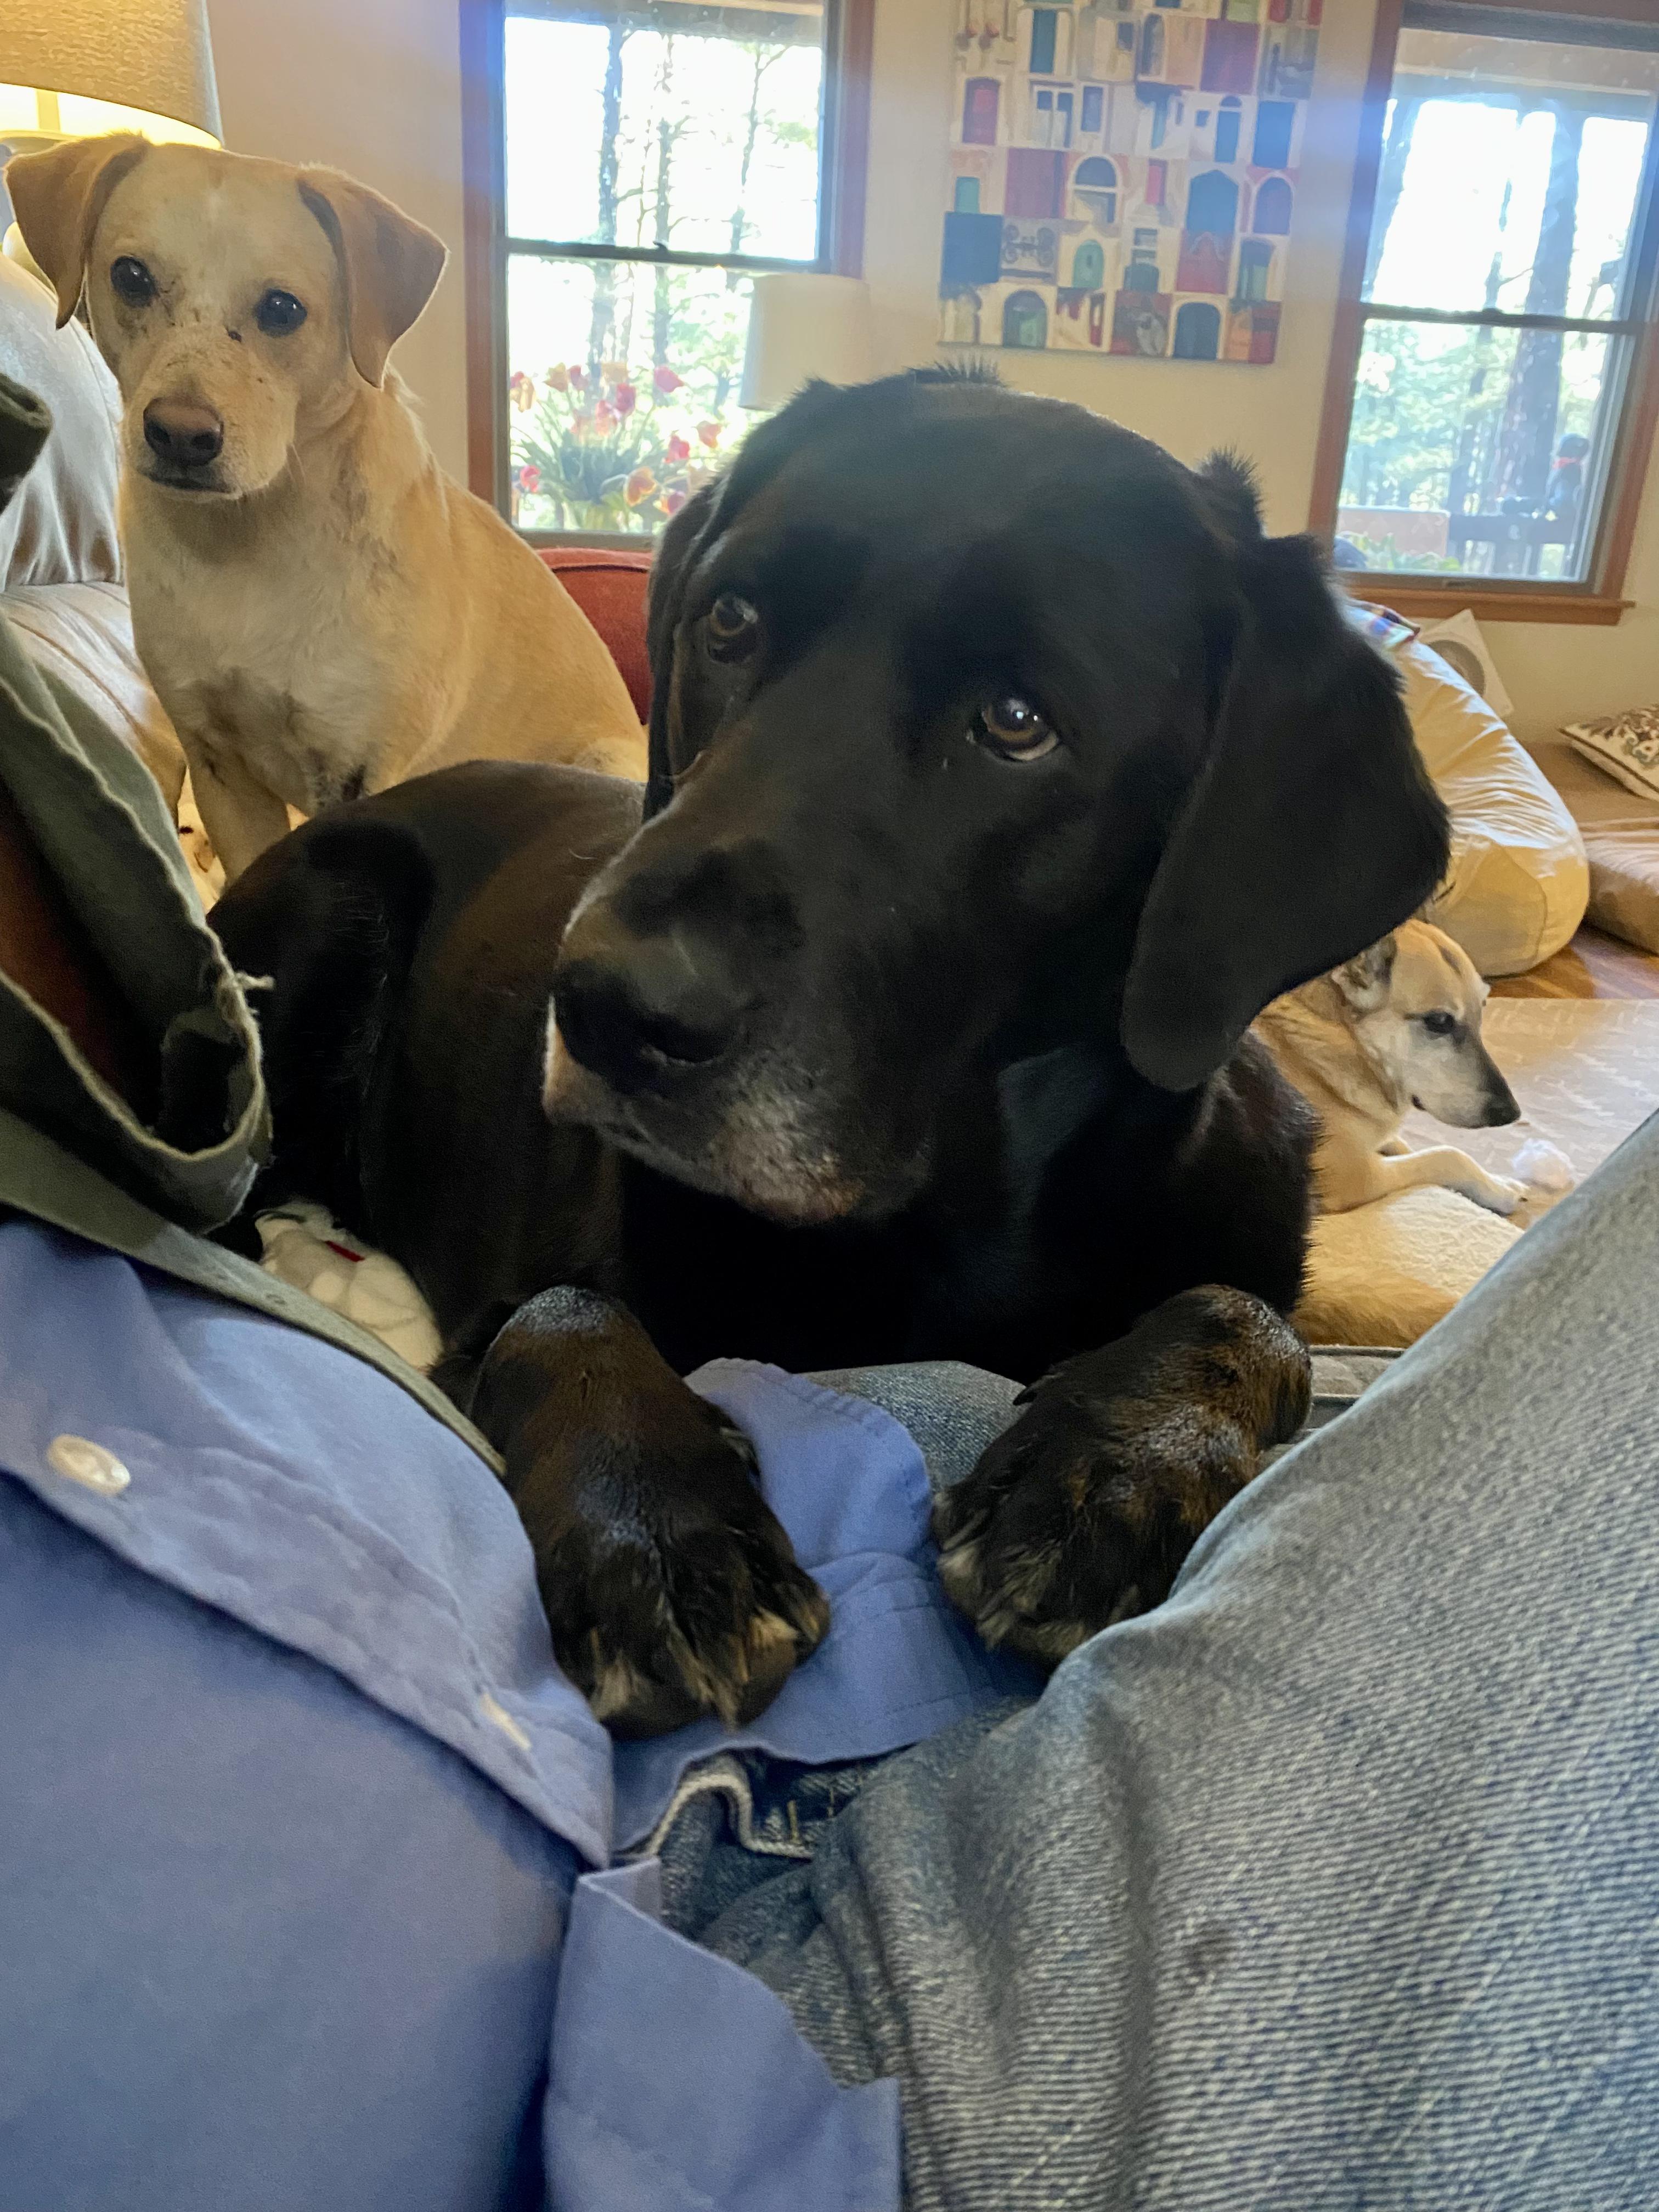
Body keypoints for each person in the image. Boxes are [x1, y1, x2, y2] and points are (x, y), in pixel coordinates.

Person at [3, 376, 1656, 2212]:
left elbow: (1254, 1325)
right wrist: (565, 1363)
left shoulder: (1227, 1225)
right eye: (740, 632)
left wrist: (1237, 1353)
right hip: (399, 917)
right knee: (349, 1007)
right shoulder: (572, 1005)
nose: (629, 950)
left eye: (1012, 722)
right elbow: (547, 1315)